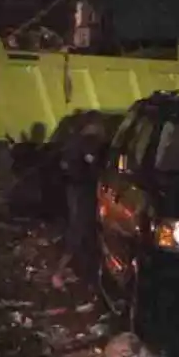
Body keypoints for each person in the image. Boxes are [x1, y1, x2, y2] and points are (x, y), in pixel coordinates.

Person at [55, 111, 107, 285]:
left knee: (79, 226)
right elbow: (94, 167)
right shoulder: (89, 142)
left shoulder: (74, 141)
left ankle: (70, 268)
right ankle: (61, 269)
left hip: (75, 187)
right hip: (84, 189)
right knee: (81, 227)